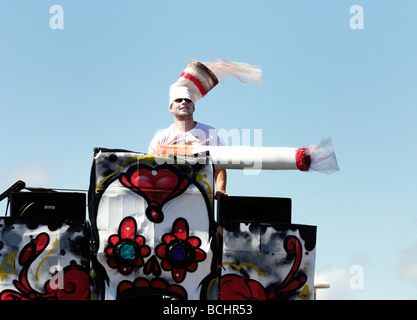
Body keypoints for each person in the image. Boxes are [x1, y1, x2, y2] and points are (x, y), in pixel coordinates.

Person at [148, 59, 262, 199]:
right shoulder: (160, 139)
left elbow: (220, 164)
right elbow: (151, 170)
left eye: (188, 100)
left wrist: (220, 189)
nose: (184, 102)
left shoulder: (210, 133)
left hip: (201, 198)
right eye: (179, 100)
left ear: (194, 106)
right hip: (169, 198)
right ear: (171, 107)